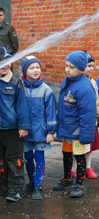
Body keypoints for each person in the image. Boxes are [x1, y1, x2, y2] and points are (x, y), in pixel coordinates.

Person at [0, 46, 30, 202]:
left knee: (15, 159)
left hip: (12, 130)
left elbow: (22, 106)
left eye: (8, 61)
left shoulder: (16, 83)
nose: (5, 65)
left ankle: (15, 188)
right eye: (1, 61)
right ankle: (0, 185)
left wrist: (23, 126)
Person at [53, 50, 97, 198]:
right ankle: (66, 178)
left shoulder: (85, 88)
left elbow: (88, 114)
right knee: (66, 153)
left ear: (80, 68)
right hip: (67, 129)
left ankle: (78, 183)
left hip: (78, 130)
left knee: (79, 157)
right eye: (66, 66)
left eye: (71, 67)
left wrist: (86, 135)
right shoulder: (67, 80)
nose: (67, 70)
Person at [20, 56, 57, 200]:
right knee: (28, 158)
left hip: (41, 132)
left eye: (38, 67)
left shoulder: (46, 90)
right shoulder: (20, 88)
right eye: (31, 68)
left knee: (39, 157)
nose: (36, 70)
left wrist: (51, 132)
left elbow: (51, 112)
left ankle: (38, 185)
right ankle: (31, 181)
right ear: (25, 71)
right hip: (26, 132)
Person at [71, 51, 99, 179]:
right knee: (77, 147)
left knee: (90, 146)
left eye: (93, 66)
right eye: (89, 66)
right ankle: (74, 168)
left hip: (91, 121)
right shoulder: (74, 82)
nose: (91, 68)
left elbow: (96, 100)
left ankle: (88, 167)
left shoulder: (93, 81)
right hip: (78, 122)